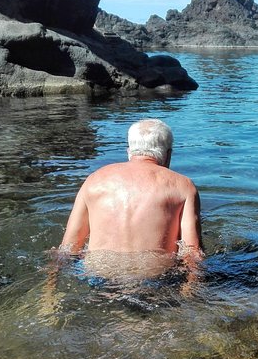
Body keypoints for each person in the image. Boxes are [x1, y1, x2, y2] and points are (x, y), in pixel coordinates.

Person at [58, 119, 203, 278]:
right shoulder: (182, 186)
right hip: (156, 281)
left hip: (97, 278)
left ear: (129, 151)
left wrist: (49, 289)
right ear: (168, 155)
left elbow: (68, 248)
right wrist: (190, 295)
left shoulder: (93, 181)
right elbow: (192, 253)